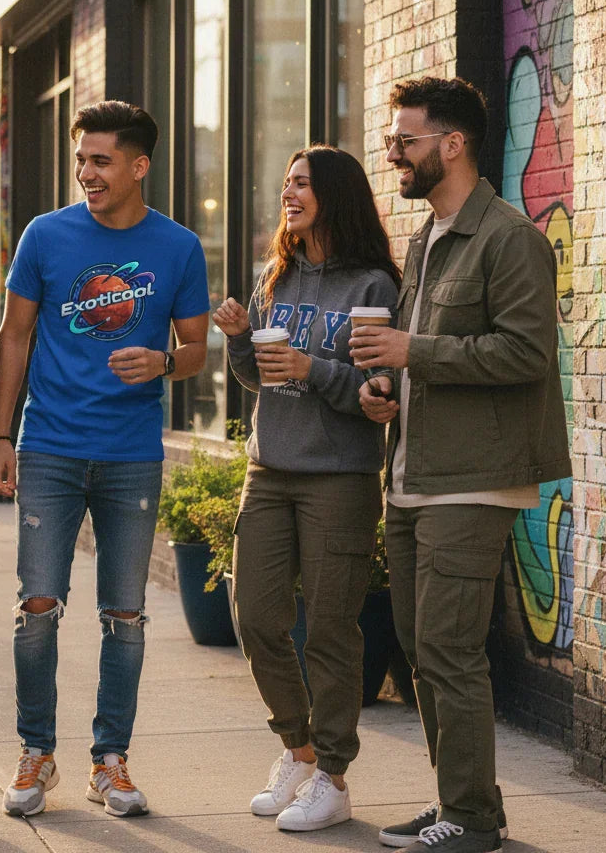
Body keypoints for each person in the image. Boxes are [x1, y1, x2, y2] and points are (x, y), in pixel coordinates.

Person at [351, 77, 571, 853]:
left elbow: (525, 353)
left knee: (447, 648)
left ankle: (473, 819)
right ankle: (462, 801)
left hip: (474, 479)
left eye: (404, 141)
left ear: (453, 144)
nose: (392, 154)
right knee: (420, 645)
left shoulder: (511, 239)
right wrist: (388, 388)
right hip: (414, 471)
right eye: (391, 141)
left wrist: (416, 352)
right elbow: (422, 359)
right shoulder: (430, 237)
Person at [0, 100, 210, 819]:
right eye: (81, 159)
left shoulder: (178, 248)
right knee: (38, 607)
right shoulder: (45, 236)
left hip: (131, 453)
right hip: (50, 446)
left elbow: (198, 350)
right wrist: (1, 436)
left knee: (126, 615)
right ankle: (35, 753)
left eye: (101, 161)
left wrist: (165, 362)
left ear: (140, 166)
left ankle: (109, 762)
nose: (86, 172)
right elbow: (13, 337)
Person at [212, 146, 400, 833]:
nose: (288, 193)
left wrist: (312, 367)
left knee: (329, 629)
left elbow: (380, 393)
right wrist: (238, 342)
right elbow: (262, 378)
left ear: (335, 195)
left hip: (340, 479)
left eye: (301, 184)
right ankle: (298, 748)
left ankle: (334, 777)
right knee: (255, 616)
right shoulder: (276, 277)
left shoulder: (373, 286)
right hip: (270, 469)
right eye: (285, 182)